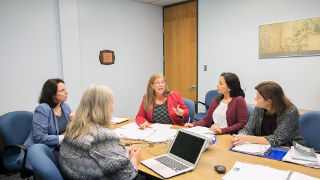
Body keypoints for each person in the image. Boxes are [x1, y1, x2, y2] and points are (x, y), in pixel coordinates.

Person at [59, 84, 141, 179]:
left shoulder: (74, 127)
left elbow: (95, 152)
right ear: (103, 107)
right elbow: (128, 175)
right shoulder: (100, 134)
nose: (112, 108)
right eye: (111, 103)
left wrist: (124, 151)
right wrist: (135, 158)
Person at [17, 78, 72, 169]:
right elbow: (39, 137)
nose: (66, 92)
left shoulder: (65, 106)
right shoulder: (42, 109)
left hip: (62, 146)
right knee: (70, 163)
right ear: (53, 94)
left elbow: (71, 128)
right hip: (45, 149)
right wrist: (62, 138)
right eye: (62, 90)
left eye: (65, 89)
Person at [232, 81, 306, 147]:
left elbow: (277, 139)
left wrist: (247, 138)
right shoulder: (259, 108)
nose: (255, 99)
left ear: (269, 101)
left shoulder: (290, 111)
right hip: (264, 148)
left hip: (289, 150)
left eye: (258, 97)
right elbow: (248, 129)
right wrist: (239, 137)